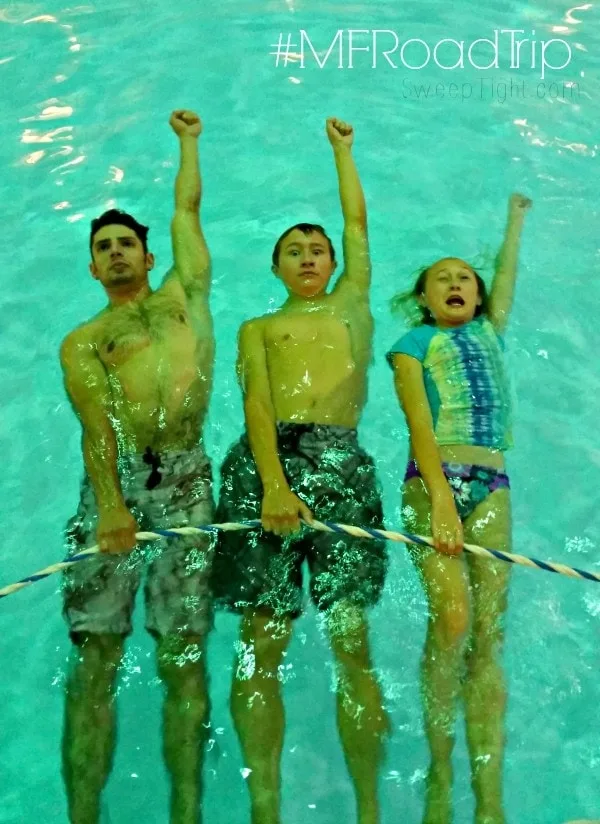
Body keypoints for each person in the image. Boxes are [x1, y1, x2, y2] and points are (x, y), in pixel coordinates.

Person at [211, 118, 388, 824]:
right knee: (262, 640)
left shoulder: (352, 308)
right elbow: (255, 402)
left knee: (351, 638)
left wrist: (344, 152)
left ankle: (369, 809)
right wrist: (275, 485)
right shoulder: (257, 327)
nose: (311, 257)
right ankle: (265, 807)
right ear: (277, 267)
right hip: (263, 467)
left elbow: (358, 224)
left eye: (319, 250)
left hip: (343, 461)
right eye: (295, 251)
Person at [59, 109, 215, 824]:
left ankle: (186, 811)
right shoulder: (85, 340)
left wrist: (186, 142)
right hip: (114, 483)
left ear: (149, 259)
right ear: (93, 267)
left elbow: (187, 209)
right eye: (105, 247)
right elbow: (95, 428)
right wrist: (112, 505)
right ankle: (83, 815)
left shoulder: (186, 299)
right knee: (96, 658)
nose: (118, 252)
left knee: (183, 653)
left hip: (187, 479)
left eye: (127, 243)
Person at [387, 193, 532, 824]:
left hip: (493, 484)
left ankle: (490, 798)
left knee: (488, 635)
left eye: (464, 279)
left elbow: (506, 277)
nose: (456, 283)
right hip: (433, 479)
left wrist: (514, 222)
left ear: (478, 298)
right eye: (442, 278)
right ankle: (441, 769)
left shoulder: (488, 329)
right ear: (424, 297)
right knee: (451, 622)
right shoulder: (413, 342)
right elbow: (419, 425)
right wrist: (442, 505)